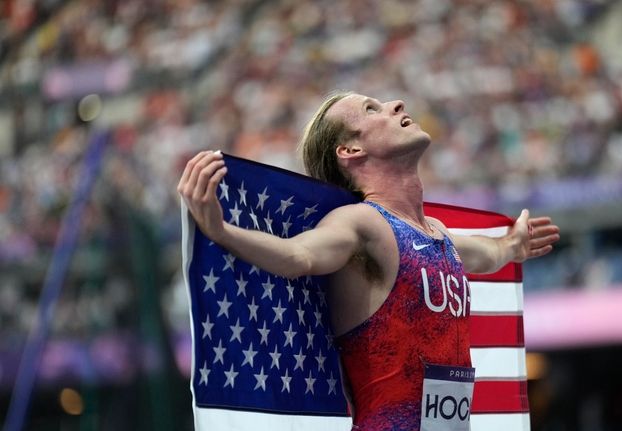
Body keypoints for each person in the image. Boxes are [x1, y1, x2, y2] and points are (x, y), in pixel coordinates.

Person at [177, 91, 560, 431]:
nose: (397, 104)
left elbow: (486, 253)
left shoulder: (438, 234)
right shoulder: (363, 224)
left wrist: (513, 245)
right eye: (372, 109)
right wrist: (222, 231)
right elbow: (299, 255)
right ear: (350, 150)